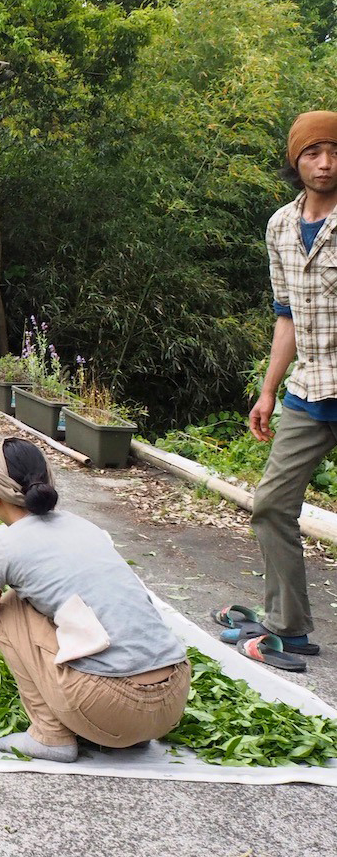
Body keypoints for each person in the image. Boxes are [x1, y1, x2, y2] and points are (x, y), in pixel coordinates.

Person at [0, 438, 190, 762]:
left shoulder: (2, 549)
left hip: (111, 706)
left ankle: (50, 736)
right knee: (40, 598)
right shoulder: (86, 528)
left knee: (6, 607)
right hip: (173, 700)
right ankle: (126, 738)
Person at [225, 112, 337, 671]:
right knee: (271, 504)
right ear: (296, 160)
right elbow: (285, 316)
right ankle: (288, 627)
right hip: (309, 388)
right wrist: (268, 391)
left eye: (334, 152)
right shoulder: (279, 226)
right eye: (313, 153)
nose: (325, 163)